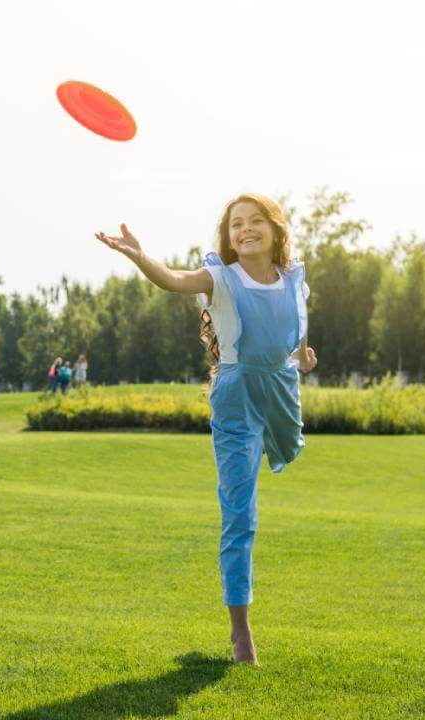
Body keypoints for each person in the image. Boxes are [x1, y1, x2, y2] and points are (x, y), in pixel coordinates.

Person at [95, 193, 316, 666]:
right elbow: (173, 279)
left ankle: (240, 627)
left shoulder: (292, 279)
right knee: (240, 515)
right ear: (229, 237)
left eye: (257, 221)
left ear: (276, 231)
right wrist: (140, 256)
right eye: (237, 224)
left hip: (280, 389)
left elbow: (288, 333)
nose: (246, 228)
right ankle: (241, 634)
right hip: (236, 399)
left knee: (290, 451)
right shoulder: (220, 277)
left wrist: (300, 359)